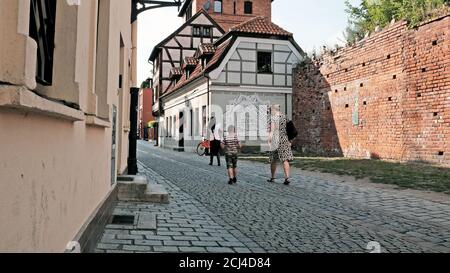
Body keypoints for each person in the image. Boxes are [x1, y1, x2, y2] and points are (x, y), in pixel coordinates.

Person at [267, 105, 293, 185]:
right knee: (285, 160)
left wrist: (269, 141)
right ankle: (287, 178)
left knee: (273, 160)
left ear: (274, 110)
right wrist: (290, 140)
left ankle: (273, 177)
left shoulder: (273, 118)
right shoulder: (285, 117)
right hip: (284, 139)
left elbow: (272, 131)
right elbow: (290, 129)